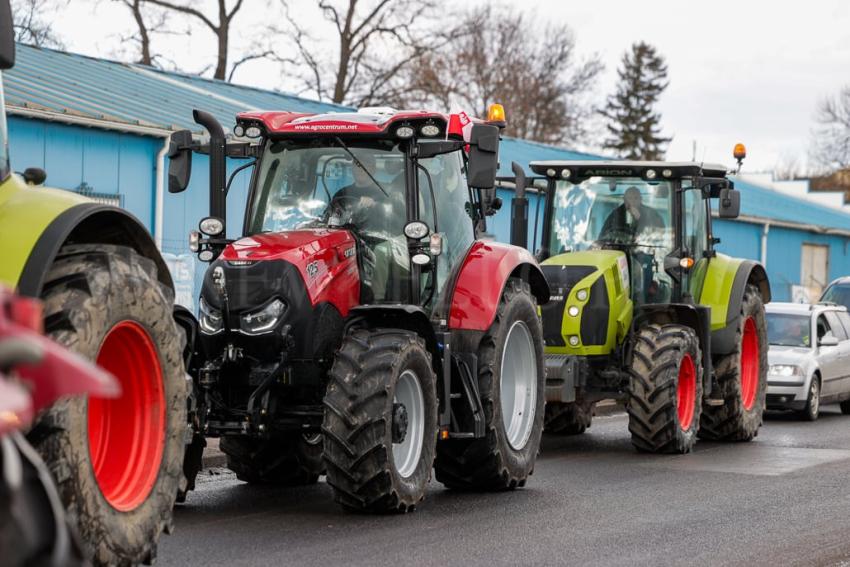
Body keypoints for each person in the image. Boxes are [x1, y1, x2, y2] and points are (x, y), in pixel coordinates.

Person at [599, 186, 665, 244]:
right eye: (629, 198)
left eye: (636, 198)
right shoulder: (615, 214)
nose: (633, 201)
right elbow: (604, 235)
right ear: (624, 200)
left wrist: (641, 219)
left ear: (640, 199)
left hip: (643, 250)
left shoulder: (651, 213)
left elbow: (660, 231)